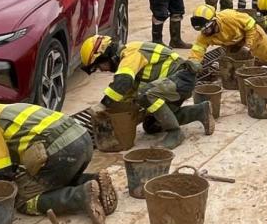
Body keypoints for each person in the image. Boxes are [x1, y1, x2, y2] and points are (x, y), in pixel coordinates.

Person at [0, 101, 115, 224]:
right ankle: (95, 180)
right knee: (53, 180)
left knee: (24, 201)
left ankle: (80, 195)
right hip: (82, 140)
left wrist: (2, 191)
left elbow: (0, 171)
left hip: (62, 151)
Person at [80, 35, 214, 149]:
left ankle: (175, 132)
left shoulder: (130, 54)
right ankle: (200, 111)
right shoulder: (128, 57)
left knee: (145, 95)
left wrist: (104, 104)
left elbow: (123, 82)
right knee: (152, 125)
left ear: (105, 55)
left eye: (98, 66)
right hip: (174, 83)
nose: (102, 70)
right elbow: (129, 90)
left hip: (181, 79)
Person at [189, 4, 267, 67]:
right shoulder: (204, 35)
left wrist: (248, 45)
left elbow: (251, 25)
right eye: (203, 31)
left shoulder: (230, 17)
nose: (205, 33)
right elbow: (197, 50)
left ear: (214, 21)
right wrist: (193, 64)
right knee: (237, 64)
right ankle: (259, 62)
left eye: (207, 29)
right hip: (233, 43)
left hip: (253, 35)